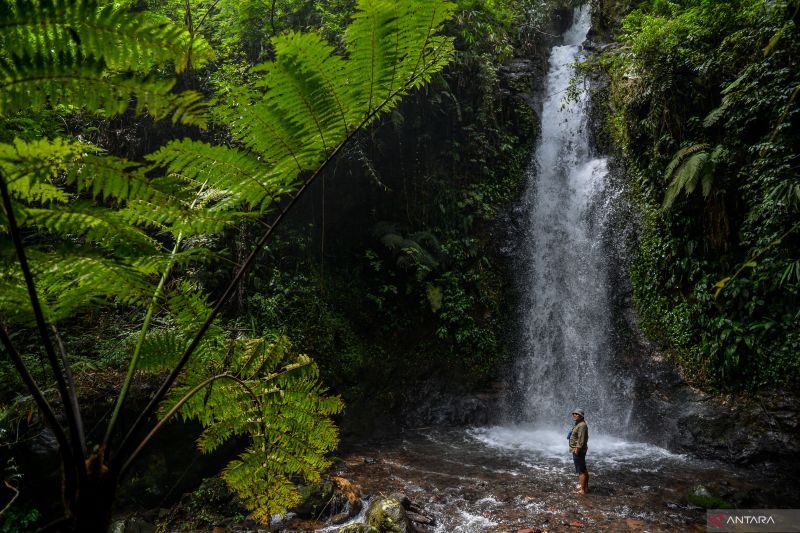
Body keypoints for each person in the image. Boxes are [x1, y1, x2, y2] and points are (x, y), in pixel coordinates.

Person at [568, 408, 589, 495]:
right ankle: (585, 486)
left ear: (581, 416)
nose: (574, 415)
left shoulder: (582, 425)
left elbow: (581, 439)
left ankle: (582, 490)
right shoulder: (579, 424)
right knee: (583, 469)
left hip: (578, 450)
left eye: (577, 414)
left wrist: (577, 450)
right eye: (574, 413)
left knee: (581, 470)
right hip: (577, 449)